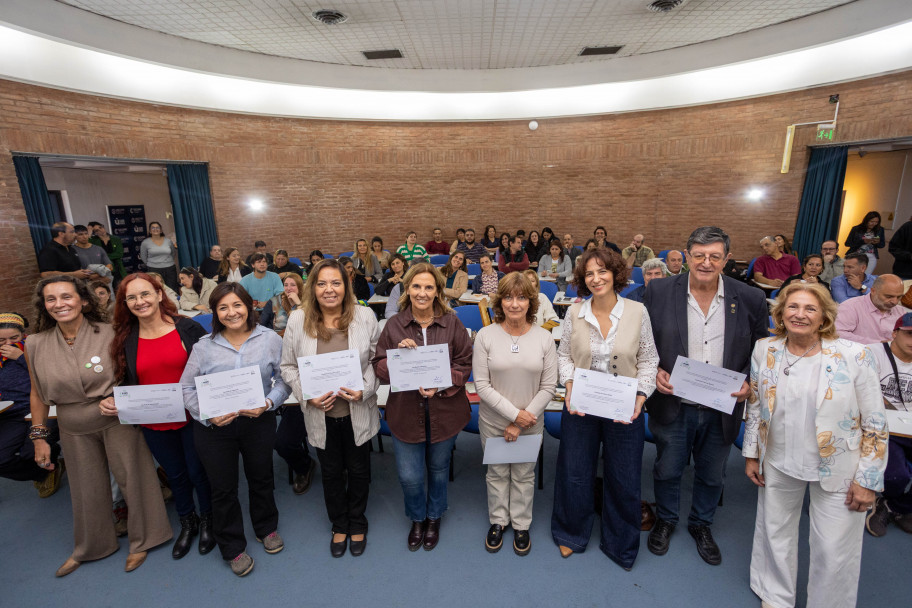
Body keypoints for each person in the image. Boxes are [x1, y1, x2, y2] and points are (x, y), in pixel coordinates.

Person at [743, 282, 887, 608]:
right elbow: (755, 405)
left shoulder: (855, 356)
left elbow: (876, 423)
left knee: (834, 546)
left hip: (840, 466)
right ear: (780, 313)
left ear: (824, 317)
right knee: (775, 532)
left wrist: (868, 480)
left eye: (810, 308)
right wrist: (752, 454)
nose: (800, 314)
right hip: (779, 459)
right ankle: (776, 596)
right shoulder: (765, 349)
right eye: (793, 307)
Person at [25, 276, 171, 577]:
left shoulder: (112, 333)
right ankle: (90, 546)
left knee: (135, 478)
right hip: (72, 425)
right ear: (44, 306)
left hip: (116, 418)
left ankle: (144, 539)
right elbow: (37, 393)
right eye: (51, 299)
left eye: (66, 297)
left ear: (84, 301)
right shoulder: (35, 343)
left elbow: (135, 373)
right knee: (84, 489)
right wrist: (39, 437)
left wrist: (120, 397)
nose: (59, 304)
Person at [643, 226, 768, 566]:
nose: (706, 262)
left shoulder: (751, 299)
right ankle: (666, 519)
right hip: (673, 402)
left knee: (713, 474)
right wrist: (653, 371)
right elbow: (643, 343)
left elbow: (762, 353)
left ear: (727, 259)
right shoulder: (658, 292)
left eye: (715, 256)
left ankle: (701, 524)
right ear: (686, 257)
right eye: (699, 255)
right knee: (667, 468)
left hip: (722, 405)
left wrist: (749, 383)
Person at [552, 247, 659, 568]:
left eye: (602, 272)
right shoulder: (574, 313)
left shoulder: (637, 312)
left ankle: (620, 543)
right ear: (582, 280)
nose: (596, 279)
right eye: (589, 274)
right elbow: (564, 357)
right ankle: (571, 533)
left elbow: (649, 360)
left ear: (615, 274)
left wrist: (641, 396)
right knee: (575, 472)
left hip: (625, 405)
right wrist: (569, 387)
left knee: (623, 476)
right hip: (581, 404)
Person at [101, 273, 215, 560]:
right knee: (175, 475)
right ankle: (187, 523)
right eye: (132, 298)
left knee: (197, 471)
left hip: (193, 416)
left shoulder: (187, 328)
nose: (140, 302)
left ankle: (208, 521)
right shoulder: (125, 338)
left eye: (145, 294)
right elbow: (126, 380)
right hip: (153, 421)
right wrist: (116, 398)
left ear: (159, 294)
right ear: (125, 304)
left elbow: (211, 367)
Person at [180, 282, 290, 577]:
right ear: (215, 312)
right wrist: (208, 415)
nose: (232, 313)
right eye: (223, 307)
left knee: (261, 477)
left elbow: (284, 379)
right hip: (214, 429)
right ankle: (231, 545)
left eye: (237, 305)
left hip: (257, 421)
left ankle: (266, 528)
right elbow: (186, 388)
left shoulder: (270, 339)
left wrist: (268, 402)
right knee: (223, 488)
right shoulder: (203, 346)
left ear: (249, 306)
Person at [280, 259, 380, 558]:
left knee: (360, 470)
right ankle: (339, 523)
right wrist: (306, 394)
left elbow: (378, 359)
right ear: (312, 287)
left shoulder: (364, 316)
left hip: (356, 409)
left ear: (346, 286)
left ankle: (357, 520)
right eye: (322, 283)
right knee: (332, 471)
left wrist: (365, 388)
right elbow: (287, 367)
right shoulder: (298, 320)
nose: (329, 289)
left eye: (336, 283)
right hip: (320, 412)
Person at [372, 263, 473, 551]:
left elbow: (465, 365)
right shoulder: (393, 325)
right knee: (410, 476)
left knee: (439, 469)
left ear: (438, 291)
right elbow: (378, 365)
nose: (422, 292)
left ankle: (433, 516)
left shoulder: (452, 323)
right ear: (407, 289)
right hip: (405, 411)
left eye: (429, 287)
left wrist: (441, 383)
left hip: (445, 411)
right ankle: (417, 518)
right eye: (416, 286)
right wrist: (397, 360)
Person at [473, 273, 557, 555]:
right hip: (494, 422)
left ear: (531, 302)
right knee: (496, 473)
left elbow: (548, 387)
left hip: (531, 423)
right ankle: (498, 521)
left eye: (522, 297)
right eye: (508, 297)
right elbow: (481, 385)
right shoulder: (485, 336)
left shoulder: (545, 338)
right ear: (500, 301)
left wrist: (522, 420)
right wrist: (513, 416)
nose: (514, 304)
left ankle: (521, 523)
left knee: (523, 474)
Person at [0, 312, 64, 497]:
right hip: (10, 413)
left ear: (23, 334)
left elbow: (52, 377)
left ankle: (48, 460)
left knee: (30, 452)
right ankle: (47, 471)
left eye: (14, 338)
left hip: (43, 410)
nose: (8, 344)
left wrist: (22, 357)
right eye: (1, 340)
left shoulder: (36, 347)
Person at [866, 312, 912, 537]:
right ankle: (887, 500)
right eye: (909, 334)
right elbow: (862, 392)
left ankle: (895, 507)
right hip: (881, 428)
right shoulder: (872, 353)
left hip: (909, 430)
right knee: (897, 476)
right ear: (895, 333)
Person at [835, 274, 907, 344]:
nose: (895, 302)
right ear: (873, 291)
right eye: (888, 296)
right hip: (861, 353)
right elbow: (838, 333)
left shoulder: (901, 311)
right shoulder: (850, 307)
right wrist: (877, 344)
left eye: (899, 297)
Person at [139, 221, 179, 292]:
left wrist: (167, 262)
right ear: (150, 231)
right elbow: (143, 256)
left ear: (161, 230)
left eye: (157, 227)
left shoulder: (168, 241)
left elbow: (173, 253)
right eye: (153, 228)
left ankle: (173, 303)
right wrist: (153, 264)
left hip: (170, 269)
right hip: (154, 269)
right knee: (156, 289)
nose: (155, 229)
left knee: (172, 289)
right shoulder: (145, 243)